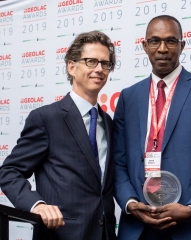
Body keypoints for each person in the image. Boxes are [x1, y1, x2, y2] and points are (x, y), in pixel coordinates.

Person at [113, 15, 191, 240]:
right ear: (145, 46)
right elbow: (118, 163)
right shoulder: (128, 97)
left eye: (171, 41)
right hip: (138, 228)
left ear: (182, 45)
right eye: (155, 41)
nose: (163, 48)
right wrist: (130, 203)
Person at [0, 30, 117, 240]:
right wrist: (36, 204)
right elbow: (9, 171)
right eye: (91, 61)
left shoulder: (108, 122)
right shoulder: (46, 118)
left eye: (105, 64)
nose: (99, 69)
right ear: (71, 66)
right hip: (62, 234)